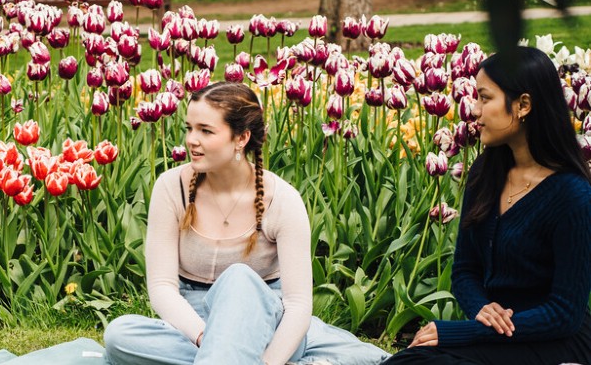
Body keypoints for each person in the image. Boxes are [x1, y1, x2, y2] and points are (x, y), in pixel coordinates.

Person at [103, 82, 390, 365]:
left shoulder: (282, 200)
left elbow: (298, 306)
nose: (191, 139)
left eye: (205, 130)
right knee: (119, 335)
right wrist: (210, 340)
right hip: (192, 325)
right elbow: (162, 286)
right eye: (189, 128)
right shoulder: (171, 187)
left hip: (268, 326)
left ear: (241, 138)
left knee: (239, 277)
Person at [383, 47, 591, 364]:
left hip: (556, 340)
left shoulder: (572, 195)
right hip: (497, 334)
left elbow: (565, 314)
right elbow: (465, 270)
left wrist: (468, 331)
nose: (475, 111)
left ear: (523, 105)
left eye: (485, 98)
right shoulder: (484, 173)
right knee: (407, 361)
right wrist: (481, 309)